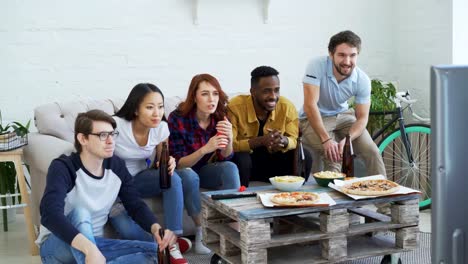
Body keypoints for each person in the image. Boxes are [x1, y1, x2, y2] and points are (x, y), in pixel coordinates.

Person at [37, 109, 176, 264]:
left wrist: (156, 228)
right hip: (58, 246)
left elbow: (135, 204)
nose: (110, 141)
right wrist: (90, 250)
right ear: (83, 138)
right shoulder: (64, 167)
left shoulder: (116, 166)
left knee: (156, 253)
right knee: (81, 213)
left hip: (98, 246)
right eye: (103, 135)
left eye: (112, 134)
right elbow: (49, 213)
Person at [111, 83, 193, 263]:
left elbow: (159, 163)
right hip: (115, 185)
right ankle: (164, 246)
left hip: (140, 180)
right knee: (127, 230)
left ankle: (173, 240)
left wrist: (168, 161)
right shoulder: (116, 126)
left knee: (172, 177)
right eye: (149, 107)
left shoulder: (161, 128)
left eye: (160, 106)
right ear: (135, 109)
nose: (157, 113)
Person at [168, 74, 241, 253]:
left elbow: (225, 157)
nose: (212, 99)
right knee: (189, 174)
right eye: (205, 94)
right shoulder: (177, 118)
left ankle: (234, 229)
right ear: (194, 96)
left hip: (206, 171)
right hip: (183, 172)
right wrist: (204, 149)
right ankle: (203, 231)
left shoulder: (220, 117)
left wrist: (230, 139)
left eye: (215, 94)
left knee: (230, 168)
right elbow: (177, 163)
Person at [299, 30, 386, 178]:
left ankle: (385, 199)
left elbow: (362, 118)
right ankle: (332, 200)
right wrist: (326, 139)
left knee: (372, 151)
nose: (347, 61)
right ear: (331, 54)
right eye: (341, 55)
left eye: (352, 55)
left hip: (343, 116)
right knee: (333, 156)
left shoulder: (362, 80)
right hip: (314, 117)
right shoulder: (316, 66)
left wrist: (347, 140)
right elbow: (310, 105)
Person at [228, 66, 312, 186]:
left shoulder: (286, 107)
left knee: (305, 155)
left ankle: (294, 194)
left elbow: (294, 140)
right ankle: (242, 196)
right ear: (253, 92)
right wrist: (261, 141)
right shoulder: (235, 107)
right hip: (247, 166)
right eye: (266, 91)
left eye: (276, 90)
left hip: (273, 162)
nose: (273, 96)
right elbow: (231, 146)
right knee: (242, 158)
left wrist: (284, 141)